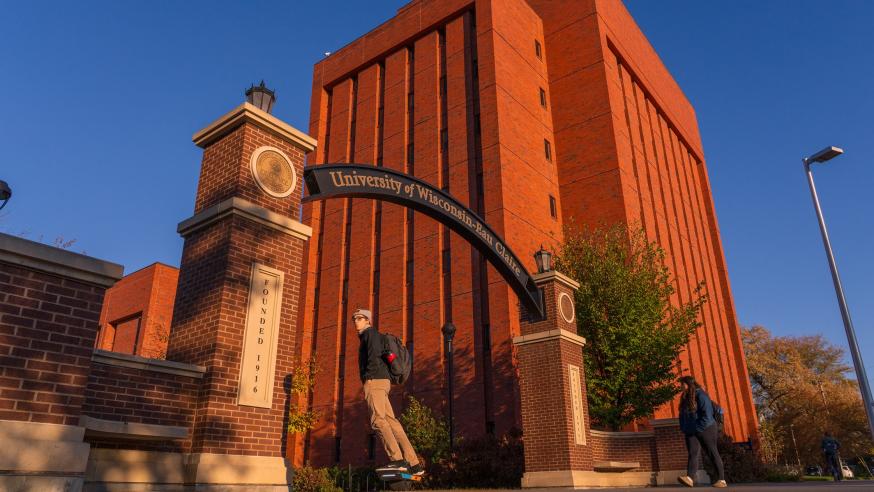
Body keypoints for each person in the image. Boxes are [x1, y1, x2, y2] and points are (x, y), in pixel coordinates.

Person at [354, 308, 423, 475]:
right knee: (391, 421)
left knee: (377, 421)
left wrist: (368, 378)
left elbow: (373, 357)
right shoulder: (375, 337)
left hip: (374, 381)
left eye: (360, 318)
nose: (356, 321)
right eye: (354, 319)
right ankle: (414, 463)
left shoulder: (370, 335)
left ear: (368, 321)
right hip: (383, 382)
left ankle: (397, 460)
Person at [676, 376, 727, 488]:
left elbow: (707, 414)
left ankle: (721, 480)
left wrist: (699, 428)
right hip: (691, 430)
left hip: (706, 428)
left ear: (688, 384)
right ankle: (689, 478)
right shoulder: (685, 397)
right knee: (693, 453)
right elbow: (683, 415)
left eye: (682, 384)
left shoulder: (701, 395)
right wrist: (684, 427)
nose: (680, 387)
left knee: (712, 452)